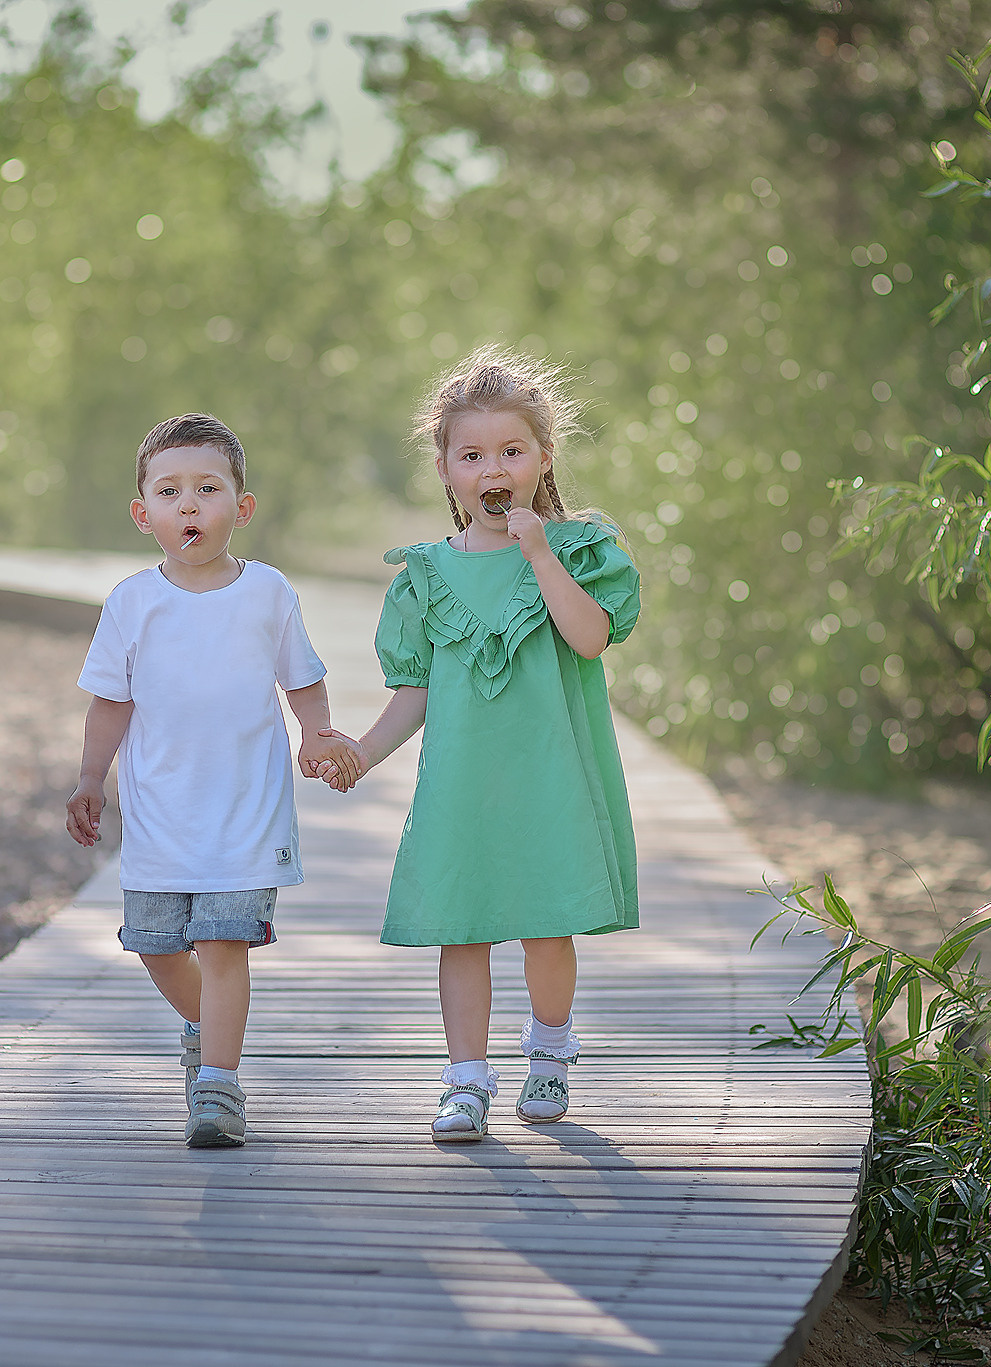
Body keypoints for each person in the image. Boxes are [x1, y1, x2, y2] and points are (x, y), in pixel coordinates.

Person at [328, 348, 641, 1141]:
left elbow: (591, 638)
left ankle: (549, 1051)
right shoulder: (427, 575)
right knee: (462, 928)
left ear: (542, 460)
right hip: (463, 783)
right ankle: (465, 1079)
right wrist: (363, 751)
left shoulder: (578, 550)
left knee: (546, 922)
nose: (492, 468)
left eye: (511, 451)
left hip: (549, 777)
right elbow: (416, 695)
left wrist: (539, 553)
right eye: (472, 455)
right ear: (445, 468)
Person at [66, 413, 363, 1148]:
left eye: (207, 488)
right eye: (169, 492)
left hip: (245, 812)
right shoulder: (133, 602)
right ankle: (205, 1031)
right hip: (160, 816)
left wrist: (314, 735)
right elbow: (110, 703)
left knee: (225, 943)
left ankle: (219, 1088)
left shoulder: (266, 592)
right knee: (157, 944)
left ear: (242, 506)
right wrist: (88, 778)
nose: (189, 505)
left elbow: (304, 680)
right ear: (144, 514)